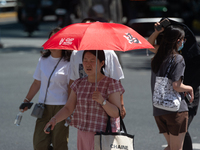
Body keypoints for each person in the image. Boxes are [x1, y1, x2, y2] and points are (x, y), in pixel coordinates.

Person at [44, 50, 125, 150]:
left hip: (104, 136)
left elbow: (116, 113)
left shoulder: (111, 83)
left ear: (102, 63)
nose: (88, 64)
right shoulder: (78, 83)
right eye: (85, 60)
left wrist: (103, 101)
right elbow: (68, 108)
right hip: (83, 135)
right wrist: (54, 120)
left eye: (92, 60)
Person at [21, 27, 72, 150]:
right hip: (43, 107)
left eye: (57, 39)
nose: (53, 42)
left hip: (61, 107)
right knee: (39, 144)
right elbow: (37, 83)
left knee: (59, 144)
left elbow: (71, 88)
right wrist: (26, 100)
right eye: (51, 39)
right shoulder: (43, 60)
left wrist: (71, 110)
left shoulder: (70, 63)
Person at [148, 23, 194, 150]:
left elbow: (149, 44)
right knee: (176, 148)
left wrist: (157, 32)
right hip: (175, 111)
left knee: (170, 147)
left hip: (158, 110)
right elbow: (176, 85)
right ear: (178, 41)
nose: (184, 42)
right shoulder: (178, 59)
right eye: (183, 39)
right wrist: (189, 88)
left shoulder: (158, 56)